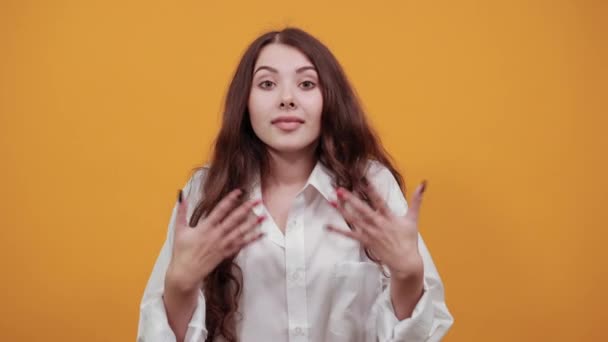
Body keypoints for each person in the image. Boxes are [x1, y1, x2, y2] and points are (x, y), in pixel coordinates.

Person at [137, 27, 453, 342]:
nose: (287, 99)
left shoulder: (372, 187)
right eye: (267, 84)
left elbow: (422, 335)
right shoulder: (207, 191)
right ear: (244, 102)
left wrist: (408, 276)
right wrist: (181, 285)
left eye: (306, 84)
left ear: (329, 98)